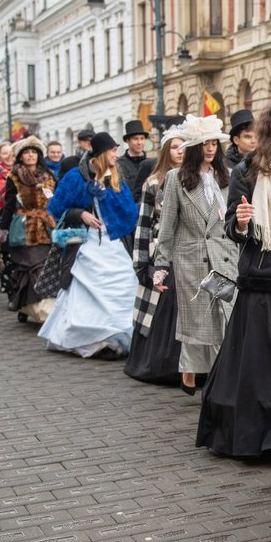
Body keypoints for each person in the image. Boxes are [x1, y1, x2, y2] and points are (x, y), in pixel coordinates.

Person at [196, 101, 271, 457]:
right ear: (269, 129)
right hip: (262, 281)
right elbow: (231, 228)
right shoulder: (247, 171)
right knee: (258, 367)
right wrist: (243, 222)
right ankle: (259, 437)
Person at [152, 114, 238, 394]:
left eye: (214, 143)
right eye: (204, 143)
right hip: (192, 260)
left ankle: (218, 380)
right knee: (200, 322)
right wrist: (161, 266)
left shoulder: (228, 176)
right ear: (193, 147)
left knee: (226, 318)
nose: (211, 148)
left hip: (225, 257)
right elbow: (167, 225)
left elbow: (236, 218)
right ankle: (197, 373)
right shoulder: (176, 179)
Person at [40, 132, 137, 357]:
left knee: (123, 284)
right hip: (88, 243)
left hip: (113, 242)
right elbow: (57, 207)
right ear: (102, 153)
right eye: (113, 151)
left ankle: (122, 332)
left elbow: (128, 210)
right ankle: (90, 337)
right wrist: (80, 213)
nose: (116, 154)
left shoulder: (114, 175)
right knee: (88, 286)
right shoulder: (76, 176)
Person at [124, 127, 186, 385]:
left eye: (184, 147)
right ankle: (159, 364)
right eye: (174, 147)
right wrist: (141, 264)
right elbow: (144, 225)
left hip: (188, 252)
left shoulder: (197, 178)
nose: (179, 152)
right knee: (161, 306)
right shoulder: (153, 183)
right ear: (165, 151)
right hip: (161, 252)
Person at [0, 136, 57, 322]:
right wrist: (0, 232)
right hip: (24, 228)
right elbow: (8, 206)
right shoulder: (14, 177)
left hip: (46, 228)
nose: (30, 156)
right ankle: (34, 308)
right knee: (31, 266)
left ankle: (29, 306)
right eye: (26, 152)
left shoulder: (48, 176)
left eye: (33, 152)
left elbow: (56, 201)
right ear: (20, 156)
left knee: (45, 267)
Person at [118, 120, 150, 190]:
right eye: (135, 139)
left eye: (142, 138)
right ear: (127, 140)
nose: (139, 142)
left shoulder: (150, 163)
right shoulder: (119, 164)